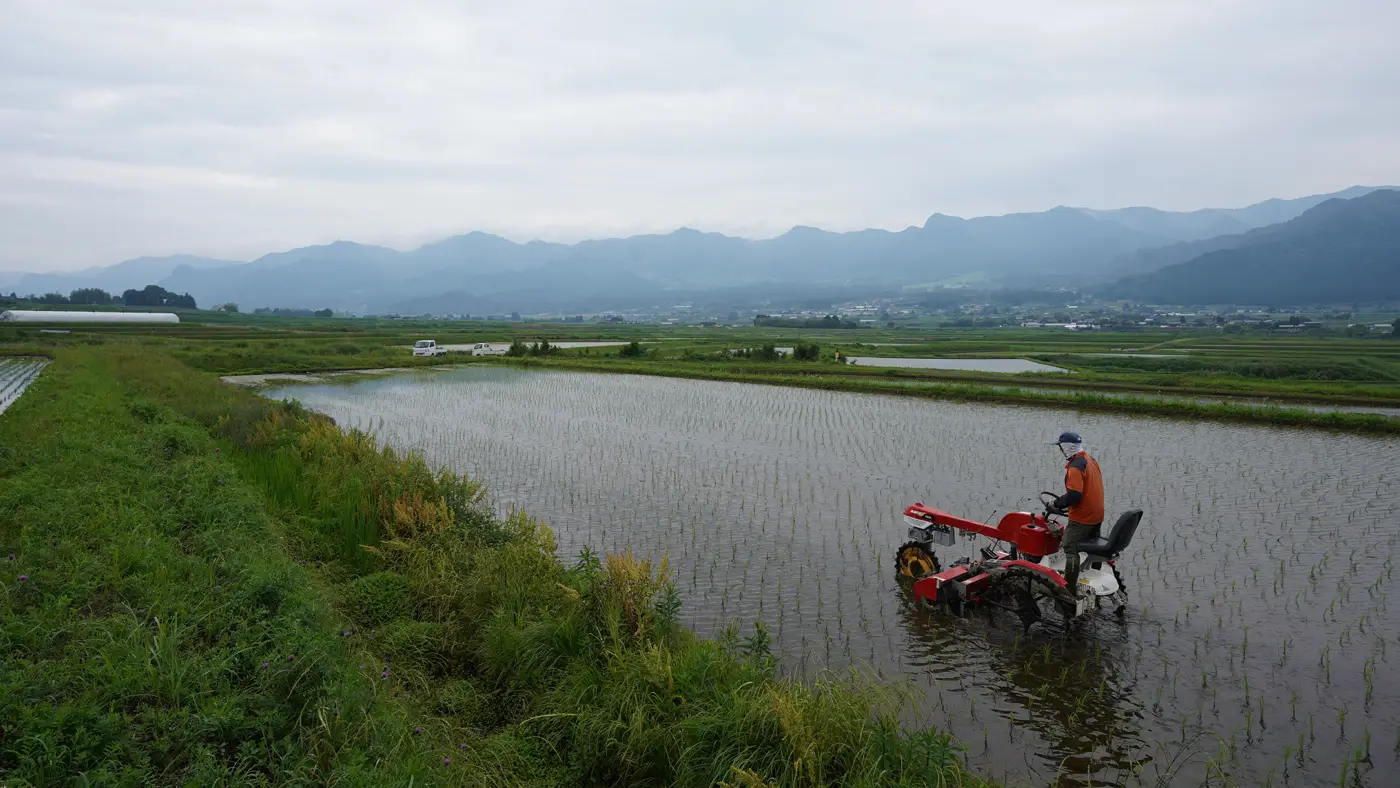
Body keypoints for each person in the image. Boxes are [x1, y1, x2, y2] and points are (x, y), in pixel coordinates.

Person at [1048, 431, 1104, 589]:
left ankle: (1068, 590)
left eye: (1060, 447)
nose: (1060, 450)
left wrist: (1056, 503)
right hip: (1097, 515)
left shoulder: (1075, 467)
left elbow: (1074, 496)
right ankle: (1094, 579)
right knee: (1095, 547)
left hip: (1082, 518)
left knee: (1069, 546)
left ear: (1067, 448)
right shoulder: (1090, 460)